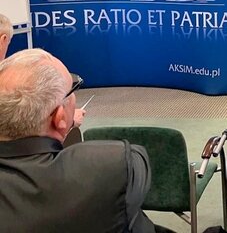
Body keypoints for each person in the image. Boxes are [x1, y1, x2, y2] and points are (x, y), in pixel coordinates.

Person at [0, 49, 156, 233]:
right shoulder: (112, 165)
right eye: (72, 90)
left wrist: (64, 124)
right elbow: (137, 162)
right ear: (59, 117)